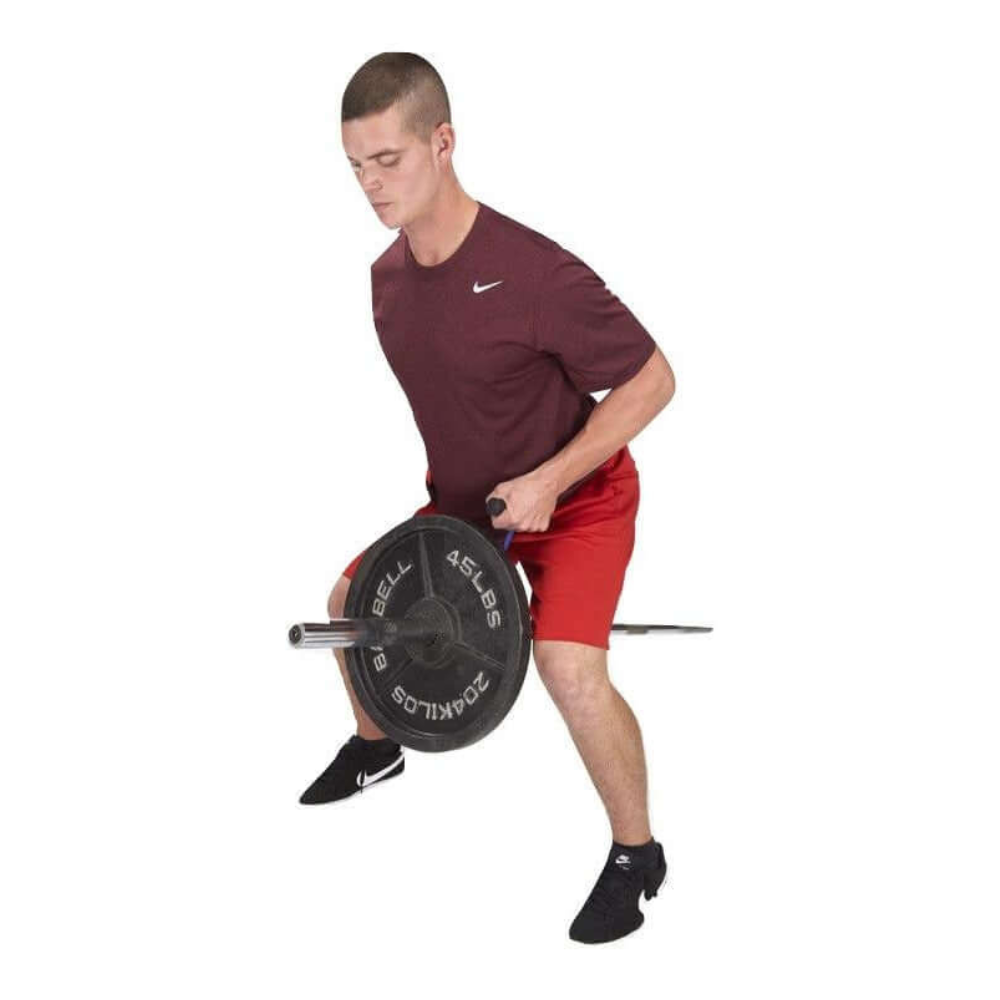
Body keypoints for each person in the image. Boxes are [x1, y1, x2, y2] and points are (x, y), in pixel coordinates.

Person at [300, 52, 677, 945]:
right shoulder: (386, 284)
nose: (370, 183)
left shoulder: (533, 270)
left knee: (567, 668)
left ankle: (638, 853)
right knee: (348, 606)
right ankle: (378, 747)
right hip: (474, 510)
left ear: (443, 141)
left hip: (578, 497)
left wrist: (552, 479)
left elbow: (653, 380)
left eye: (387, 160)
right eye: (355, 165)